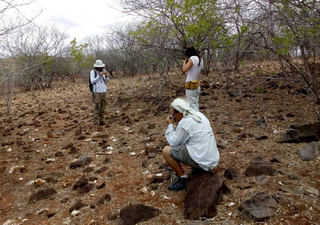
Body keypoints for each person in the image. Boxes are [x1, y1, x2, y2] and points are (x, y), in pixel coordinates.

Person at [162, 98, 219, 191]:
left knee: (166, 151)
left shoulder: (185, 122)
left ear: (180, 112)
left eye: (174, 113)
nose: (173, 116)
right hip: (211, 160)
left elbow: (173, 142)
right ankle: (202, 168)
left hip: (201, 159)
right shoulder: (199, 115)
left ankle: (183, 179)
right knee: (190, 145)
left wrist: (170, 125)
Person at [183, 46, 203, 111]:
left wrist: (184, 62)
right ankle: (199, 117)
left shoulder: (192, 58)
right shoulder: (200, 59)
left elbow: (184, 69)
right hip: (196, 83)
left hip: (190, 84)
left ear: (189, 54)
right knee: (195, 103)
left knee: (191, 105)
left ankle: (195, 119)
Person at [90, 59, 110, 126]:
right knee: (97, 107)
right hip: (97, 92)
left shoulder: (103, 71)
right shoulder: (93, 72)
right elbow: (92, 81)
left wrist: (106, 75)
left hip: (104, 91)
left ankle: (102, 120)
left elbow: (108, 81)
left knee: (103, 106)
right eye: (99, 66)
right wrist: (99, 76)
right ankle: (96, 121)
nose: (100, 67)